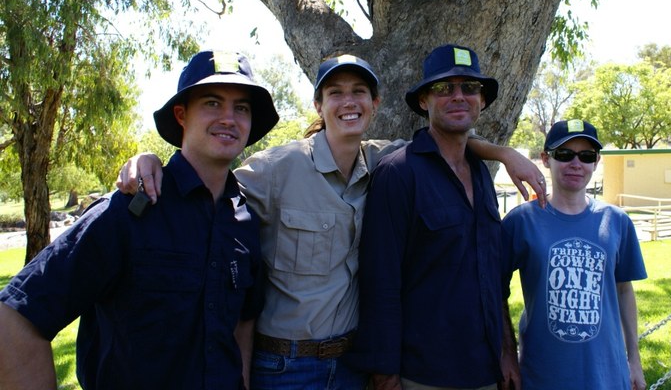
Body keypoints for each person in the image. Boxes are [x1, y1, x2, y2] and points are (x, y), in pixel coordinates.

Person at [116, 53, 545, 390]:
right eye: (335, 92)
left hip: (352, 367)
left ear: (374, 104)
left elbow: (449, 140)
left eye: (359, 91)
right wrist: (150, 160)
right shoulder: (276, 169)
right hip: (286, 367)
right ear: (319, 104)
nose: (349, 102)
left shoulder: (384, 162)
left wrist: (506, 154)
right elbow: (205, 186)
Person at [0, 51, 279, 390]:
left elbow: (241, 327)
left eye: (241, 108)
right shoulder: (129, 211)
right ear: (181, 115)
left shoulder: (245, 221)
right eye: (211, 103)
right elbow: (15, 319)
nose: (228, 118)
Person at [346, 44, 522, 390]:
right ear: (424, 100)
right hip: (422, 375)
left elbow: (493, 277)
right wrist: (385, 374)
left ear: (482, 101)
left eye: (470, 88)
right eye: (444, 88)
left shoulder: (482, 175)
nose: (459, 96)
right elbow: (380, 281)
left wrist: (506, 351)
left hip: (485, 371)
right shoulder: (399, 173)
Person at [500, 119, 647, 390]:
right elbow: (494, 290)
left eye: (586, 156)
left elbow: (624, 290)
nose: (576, 164)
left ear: (596, 161)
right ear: (546, 159)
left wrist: (634, 360)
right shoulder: (521, 221)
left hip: (607, 375)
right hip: (542, 374)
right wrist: (507, 353)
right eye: (565, 155)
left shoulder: (616, 222)